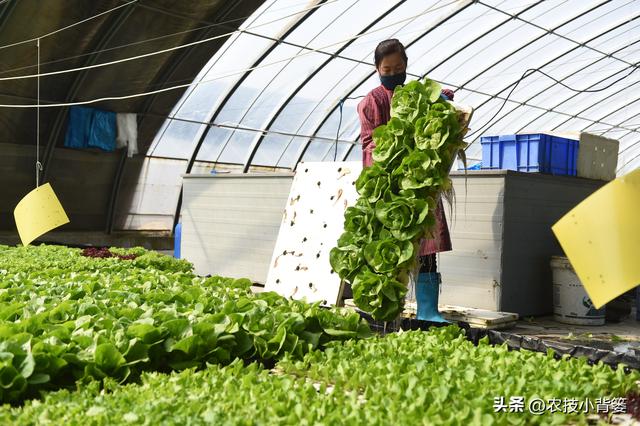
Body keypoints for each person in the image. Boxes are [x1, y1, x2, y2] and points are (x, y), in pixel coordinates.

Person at [356, 38, 452, 322]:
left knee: (425, 242)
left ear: (406, 65)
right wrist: (393, 158)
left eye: (398, 67)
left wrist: (441, 100)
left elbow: (435, 114)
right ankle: (386, 307)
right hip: (388, 183)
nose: (393, 72)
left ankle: (427, 311)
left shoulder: (414, 94)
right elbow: (369, 143)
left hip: (419, 179)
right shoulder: (372, 101)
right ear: (377, 69)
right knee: (388, 245)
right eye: (387, 69)